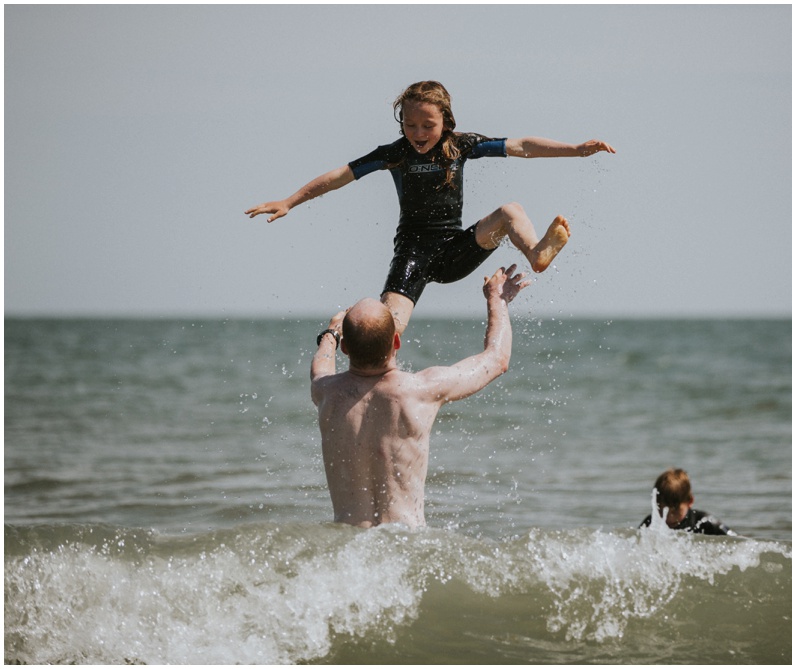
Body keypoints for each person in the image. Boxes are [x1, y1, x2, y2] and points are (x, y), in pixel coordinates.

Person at [246, 80, 615, 334]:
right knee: (387, 324)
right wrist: (290, 201)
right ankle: (375, 372)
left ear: (445, 121)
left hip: (455, 251)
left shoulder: (461, 145)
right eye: (410, 124)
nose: (419, 133)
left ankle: (536, 253)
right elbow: (341, 175)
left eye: (428, 124)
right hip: (411, 254)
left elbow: (523, 146)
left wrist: (576, 149)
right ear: (401, 122)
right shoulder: (394, 154)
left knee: (510, 211)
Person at [310, 263, 530, 528]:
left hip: (350, 550)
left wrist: (332, 331)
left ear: (345, 348)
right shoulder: (421, 390)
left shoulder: (326, 392)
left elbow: (321, 364)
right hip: (405, 541)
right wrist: (498, 300)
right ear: (396, 342)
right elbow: (496, 360)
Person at [639, 468, 737, 536]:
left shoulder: (705, 523)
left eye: (675, 511)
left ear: (690, 501)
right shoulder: (650, 523)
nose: (669, 518)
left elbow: (739, 543)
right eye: (661, 510)